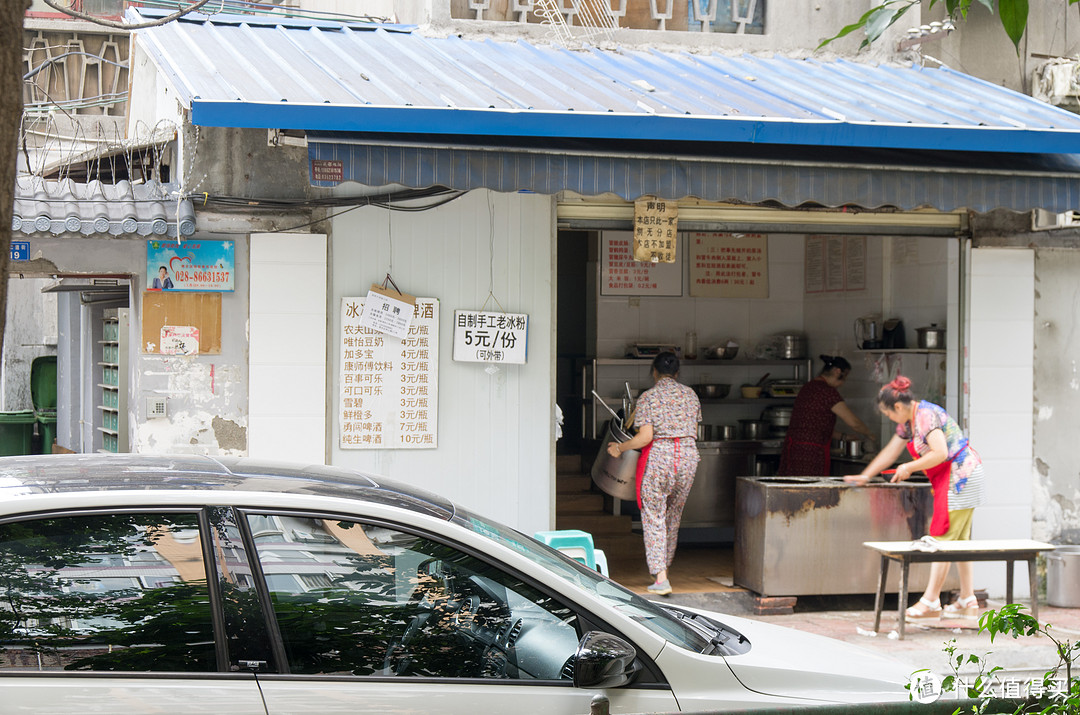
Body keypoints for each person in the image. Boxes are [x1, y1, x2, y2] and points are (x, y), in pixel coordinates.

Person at [845, 376, 985, 621]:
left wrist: (909, 467)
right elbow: (890, 451)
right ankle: (967, 599)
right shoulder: (908, 423)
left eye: (888, 414)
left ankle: (930, 602)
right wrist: (865, 476)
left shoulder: (925, 415)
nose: (889, 419)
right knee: (959, 540)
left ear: (898, 407)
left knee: (941, 538)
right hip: (960, 476)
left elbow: (940, 453)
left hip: (959, 477)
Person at [606, 351, 701, 596]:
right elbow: (694, 430)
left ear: (654, 372)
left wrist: (619, 447)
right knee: (673, 516)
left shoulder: (649, 397)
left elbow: (645, 437)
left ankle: (661, 577)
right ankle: (663, 568)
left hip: (661, 459)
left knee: (654, 516)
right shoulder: (690, 395)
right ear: (677, 373)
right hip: (688, 459)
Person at [778, 355, 876, 476]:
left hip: (792, 449)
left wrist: (844, 437)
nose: (842, 383)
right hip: (810, 454)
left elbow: (815, 426)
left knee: (792, 488)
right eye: (844, 378)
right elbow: (854, 422)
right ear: (837, 371)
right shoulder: (828, 392)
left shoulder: (808, 387)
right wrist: (870, 434)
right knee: (811, 490)